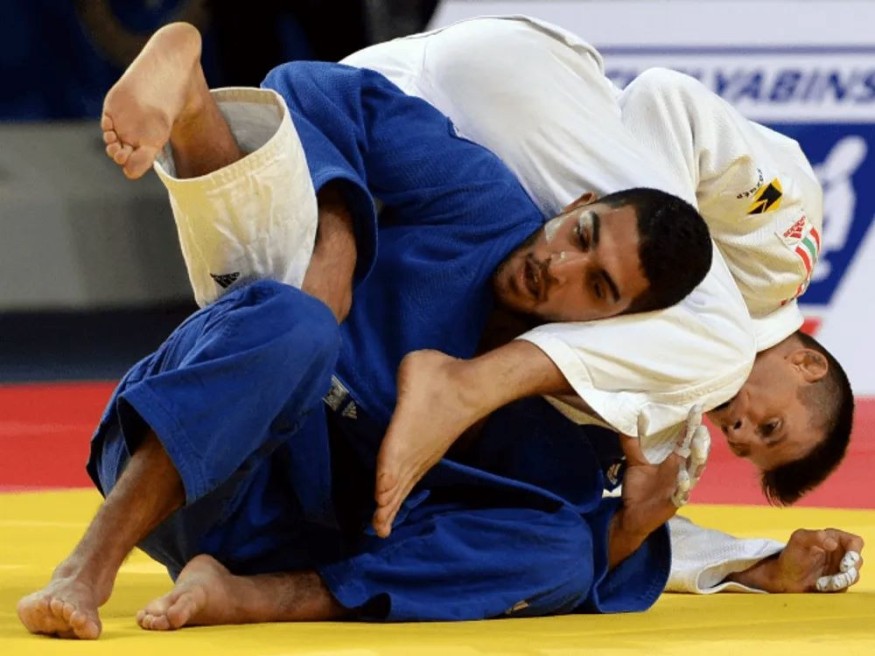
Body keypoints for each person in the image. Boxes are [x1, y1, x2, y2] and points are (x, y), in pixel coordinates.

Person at [17, 22, 714, 640]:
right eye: (580, 235)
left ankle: (253, 598)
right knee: (297, 320)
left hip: (291, 544)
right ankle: (88, 567)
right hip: (199, 447)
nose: (557, 267)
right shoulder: (482, 203)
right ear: (576, 204)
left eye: (597, 286)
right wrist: (339, 242)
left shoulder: (580, 392)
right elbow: (311, 87)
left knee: (559, 552)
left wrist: (629, 530)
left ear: (613, 322)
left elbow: (538, 551)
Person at [341, 14, 855, 542]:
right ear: (806, 365)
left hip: (390, 122)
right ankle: (463, 385)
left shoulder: (653, 372)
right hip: (517, 89)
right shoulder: (781, 259)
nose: (737, 428)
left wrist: (745, 558)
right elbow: (665, 98)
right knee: (722, 351)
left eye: (740, 444)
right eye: (770, 426)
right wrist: (657, 237)